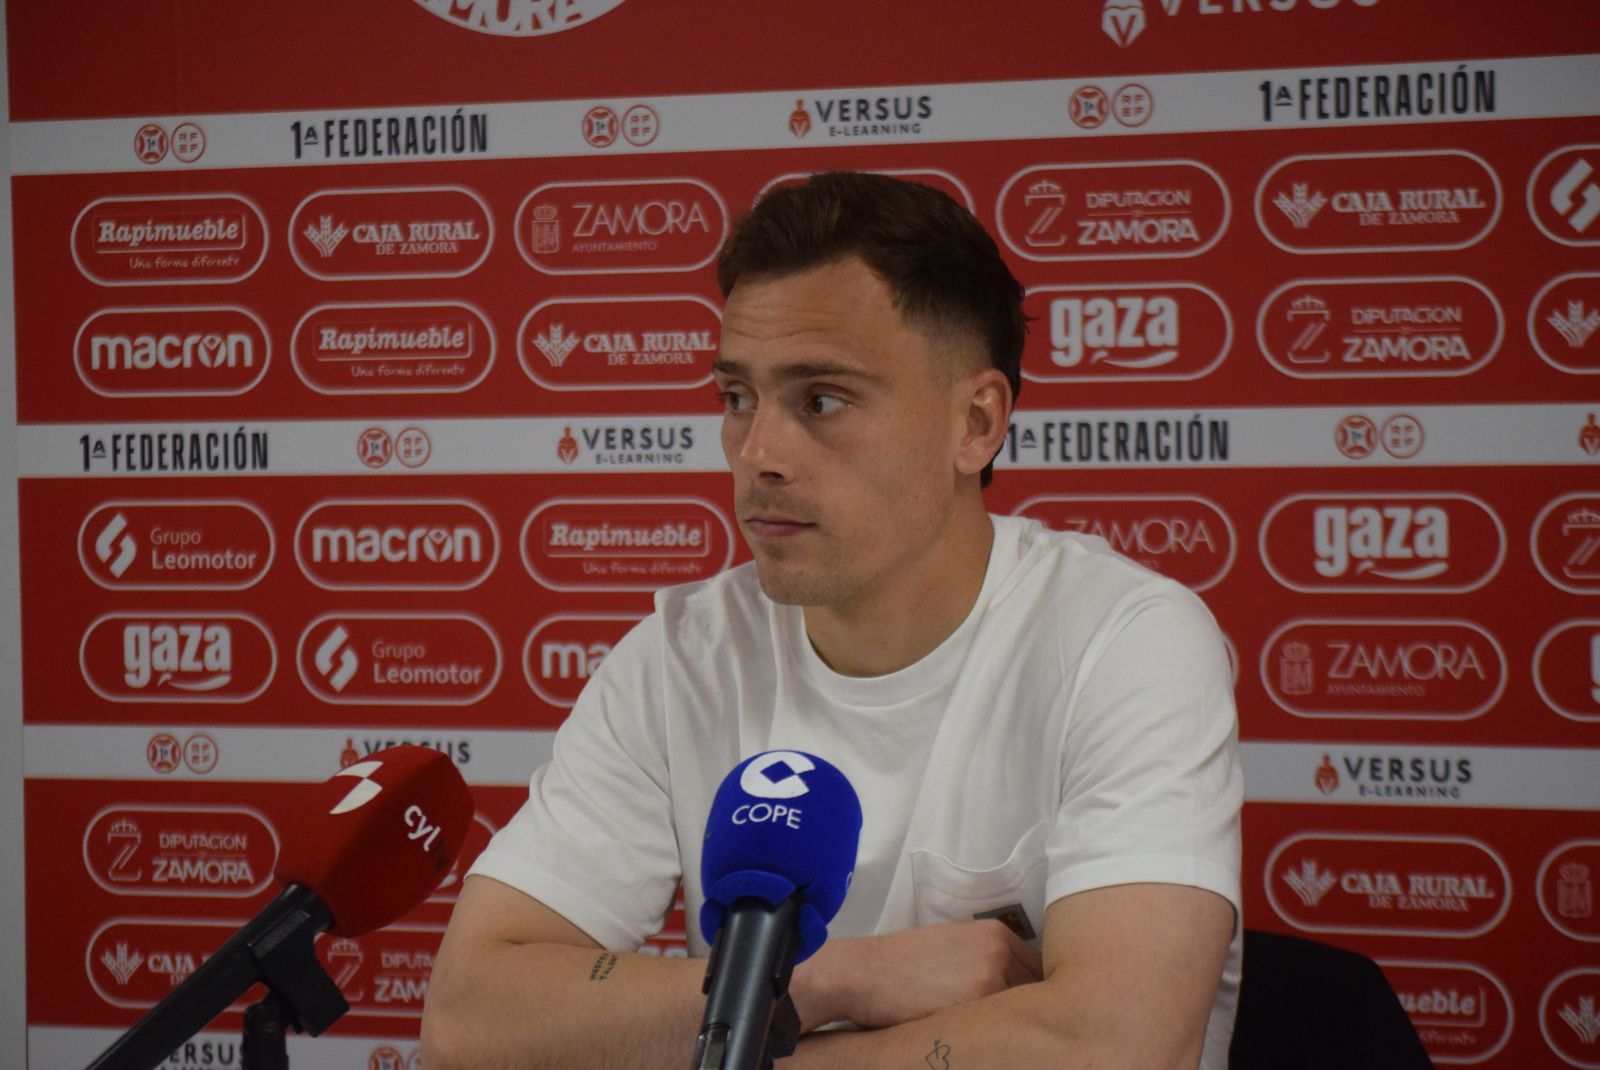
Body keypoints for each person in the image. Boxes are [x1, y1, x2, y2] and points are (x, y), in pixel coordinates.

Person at [422, 171, 1242, 1069]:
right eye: (738, 397)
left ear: (977, 423)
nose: (759, 454)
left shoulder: (1124, 641)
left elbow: (1119, 1048)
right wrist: (830, 978)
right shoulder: (684, 654)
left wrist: (737, 1048)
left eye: (821, 400)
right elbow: (470, 1019)